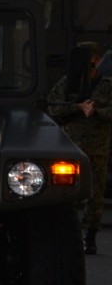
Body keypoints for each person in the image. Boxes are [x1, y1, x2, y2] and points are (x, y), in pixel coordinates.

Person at [48, 41, 112, 255]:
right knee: (68, 193)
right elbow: (53, 107)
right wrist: (78, 107)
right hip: (72, 148)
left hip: (97, 149)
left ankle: (90, 237)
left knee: (95, 194)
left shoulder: (107, 85)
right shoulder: (69, 83)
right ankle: (69, 233)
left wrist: (96, 111)